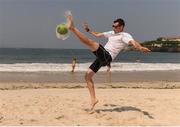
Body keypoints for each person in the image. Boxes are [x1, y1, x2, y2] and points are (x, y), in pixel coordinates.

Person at [65, 12, 150, 111]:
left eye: (116, 26)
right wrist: (89, 30)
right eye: (113, 26)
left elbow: (133, 42)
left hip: (107, 57)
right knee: (87, 76)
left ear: (121, 27)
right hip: (102, 58)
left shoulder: (124, 35)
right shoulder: (112, 33)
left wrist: (140, 47)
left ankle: (73, 28)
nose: (113, 27)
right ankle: (94, 99)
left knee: (90, 43)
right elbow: (98, 34)